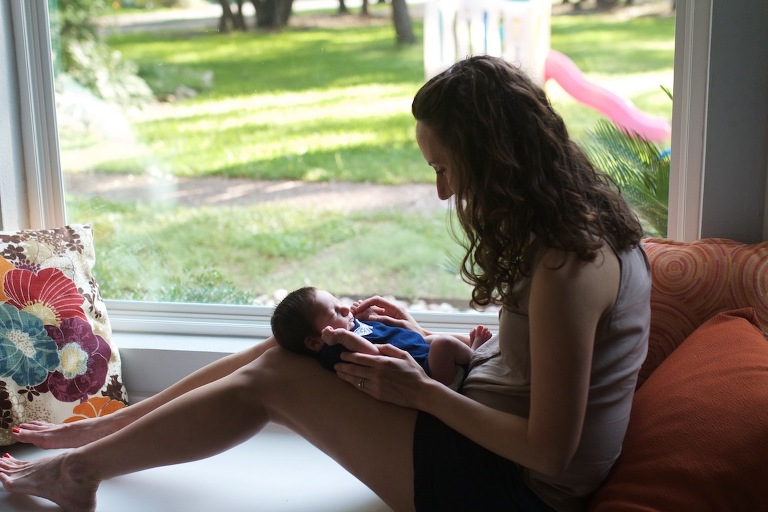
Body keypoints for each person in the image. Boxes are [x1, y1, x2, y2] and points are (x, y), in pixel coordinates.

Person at [0, 55, 650, 512]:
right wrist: (427, 342)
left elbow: (550, 453)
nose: (442, 191)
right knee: (304, 340)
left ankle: (78, 469)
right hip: (481, 432)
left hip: (513, 489)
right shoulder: (575, 227)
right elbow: (533, 373)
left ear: (497, 160)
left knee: (276, 377)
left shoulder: (567, 266)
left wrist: (423, 392)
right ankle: (100, 432)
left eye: (447, 169)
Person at [271, 286, 492, 388]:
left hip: (419, 349)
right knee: (442, 344)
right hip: (429, 373)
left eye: (340, 303)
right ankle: (474, 357)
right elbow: (373, 353)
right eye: (334, 312)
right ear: (314, 342)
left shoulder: (349, 328)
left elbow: (381, 331)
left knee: (432, 340)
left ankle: (470, 353)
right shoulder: (335, 348)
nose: (346, 309)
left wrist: (369, 316)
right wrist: (342, 337)